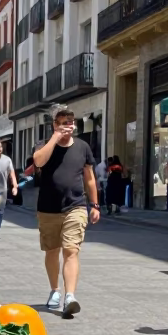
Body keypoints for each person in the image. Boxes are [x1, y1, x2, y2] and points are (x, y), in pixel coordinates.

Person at [32, 108, 99, 315]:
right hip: (48, 209)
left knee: (71, 250)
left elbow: (89, 177)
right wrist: (55, 138)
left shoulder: (82, 147)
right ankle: (55, 291)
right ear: (55, 125)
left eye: (70, 122)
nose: (67, 126)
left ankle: (70, 295)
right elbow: (38, 161)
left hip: (75, 206)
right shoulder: (45, 145)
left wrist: (95, 205)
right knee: (52, 251)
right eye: (62, 123)